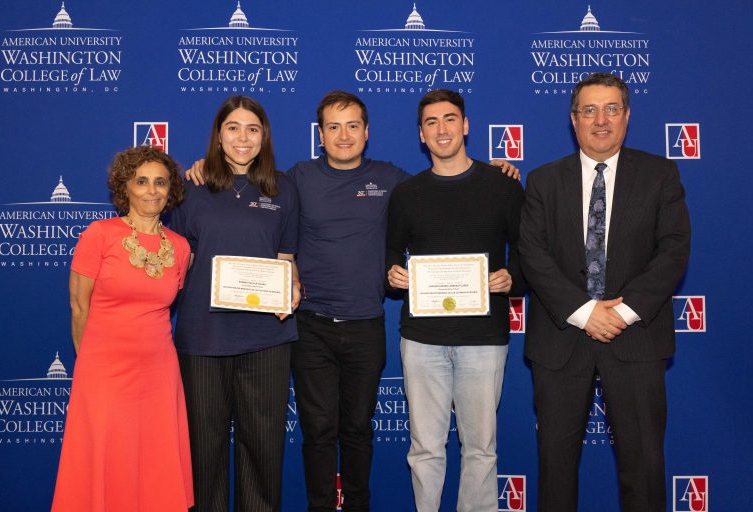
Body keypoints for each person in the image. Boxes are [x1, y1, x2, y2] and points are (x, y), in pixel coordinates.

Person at [185, 90, 520, 512]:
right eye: (333, 127)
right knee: (318, 432)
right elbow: (245, 181)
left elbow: (444, 181)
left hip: (366, 324)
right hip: (310, 325)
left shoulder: (395, 180)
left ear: (367, 132)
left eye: (353, 126)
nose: (344, 135)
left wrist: (494, 170)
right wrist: (204, 167)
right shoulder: (294, 181)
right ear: (320, 135)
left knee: (359, 431)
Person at [519, 72, 691, 512]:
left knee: (644, 467)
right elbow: (532, 254)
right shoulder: (542, 181)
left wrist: (623, 312)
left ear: (627, 116)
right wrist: (583, 311)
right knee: (555, 469)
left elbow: (673, 249)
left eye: (612, 109)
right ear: (573, 120)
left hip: (635, 339)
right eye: (589, 110)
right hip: (561, 341)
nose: (601, 120)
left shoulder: (660, 174)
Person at [386, 89, 524, 512]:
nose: (442, 129)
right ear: (422, 135)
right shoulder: (407, 193)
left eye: (450, 119)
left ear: (466, 125)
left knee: (481, 448)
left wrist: (511, 277)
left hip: (483, 338)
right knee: (425, 448)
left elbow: (525, 256)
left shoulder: (502, 185)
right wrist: (394, 275)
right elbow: (391, 258)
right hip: (422, 339)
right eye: (431, 122)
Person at [171, 95, 300, 512]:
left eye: (252, 129)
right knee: (203, 452)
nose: (242, 138)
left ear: (264, 137)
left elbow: (287, 260)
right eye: (233, 128)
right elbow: (174, 260)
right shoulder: (189, 189)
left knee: (262, 451)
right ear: (218, 135)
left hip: (267, 336)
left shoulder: (283, 188)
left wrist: (292, 288)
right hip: (203, 337)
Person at [52, 146, 193, 511]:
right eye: (141, 181)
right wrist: (90, 366)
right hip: (103, 370)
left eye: (160, 182)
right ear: (124, 187)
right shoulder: (99, 235)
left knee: (154, 460)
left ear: (170, 190)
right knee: (104, 458)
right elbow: (79, 307)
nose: (152, 190)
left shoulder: (180, 249)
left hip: (159, 372)